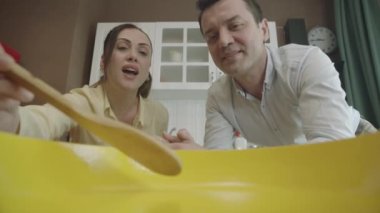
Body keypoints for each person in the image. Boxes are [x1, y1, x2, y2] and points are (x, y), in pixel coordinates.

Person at [163, 0, 377, 150]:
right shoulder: (218, 98)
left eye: (235, 25)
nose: (224, 41)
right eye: (212, 36)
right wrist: (202, 158)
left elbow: (332, 151)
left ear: (263, 29)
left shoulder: (306, 63)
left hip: (355, 143)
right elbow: (219, 160)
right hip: (294, 165)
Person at [0, 23, 168, 145]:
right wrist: (12, 121)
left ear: (148, 69)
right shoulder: (82, 101)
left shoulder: (160, 114)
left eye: (143, 52)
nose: (133, 56)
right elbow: (46, 120)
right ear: (103, 62)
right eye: (123, 47)